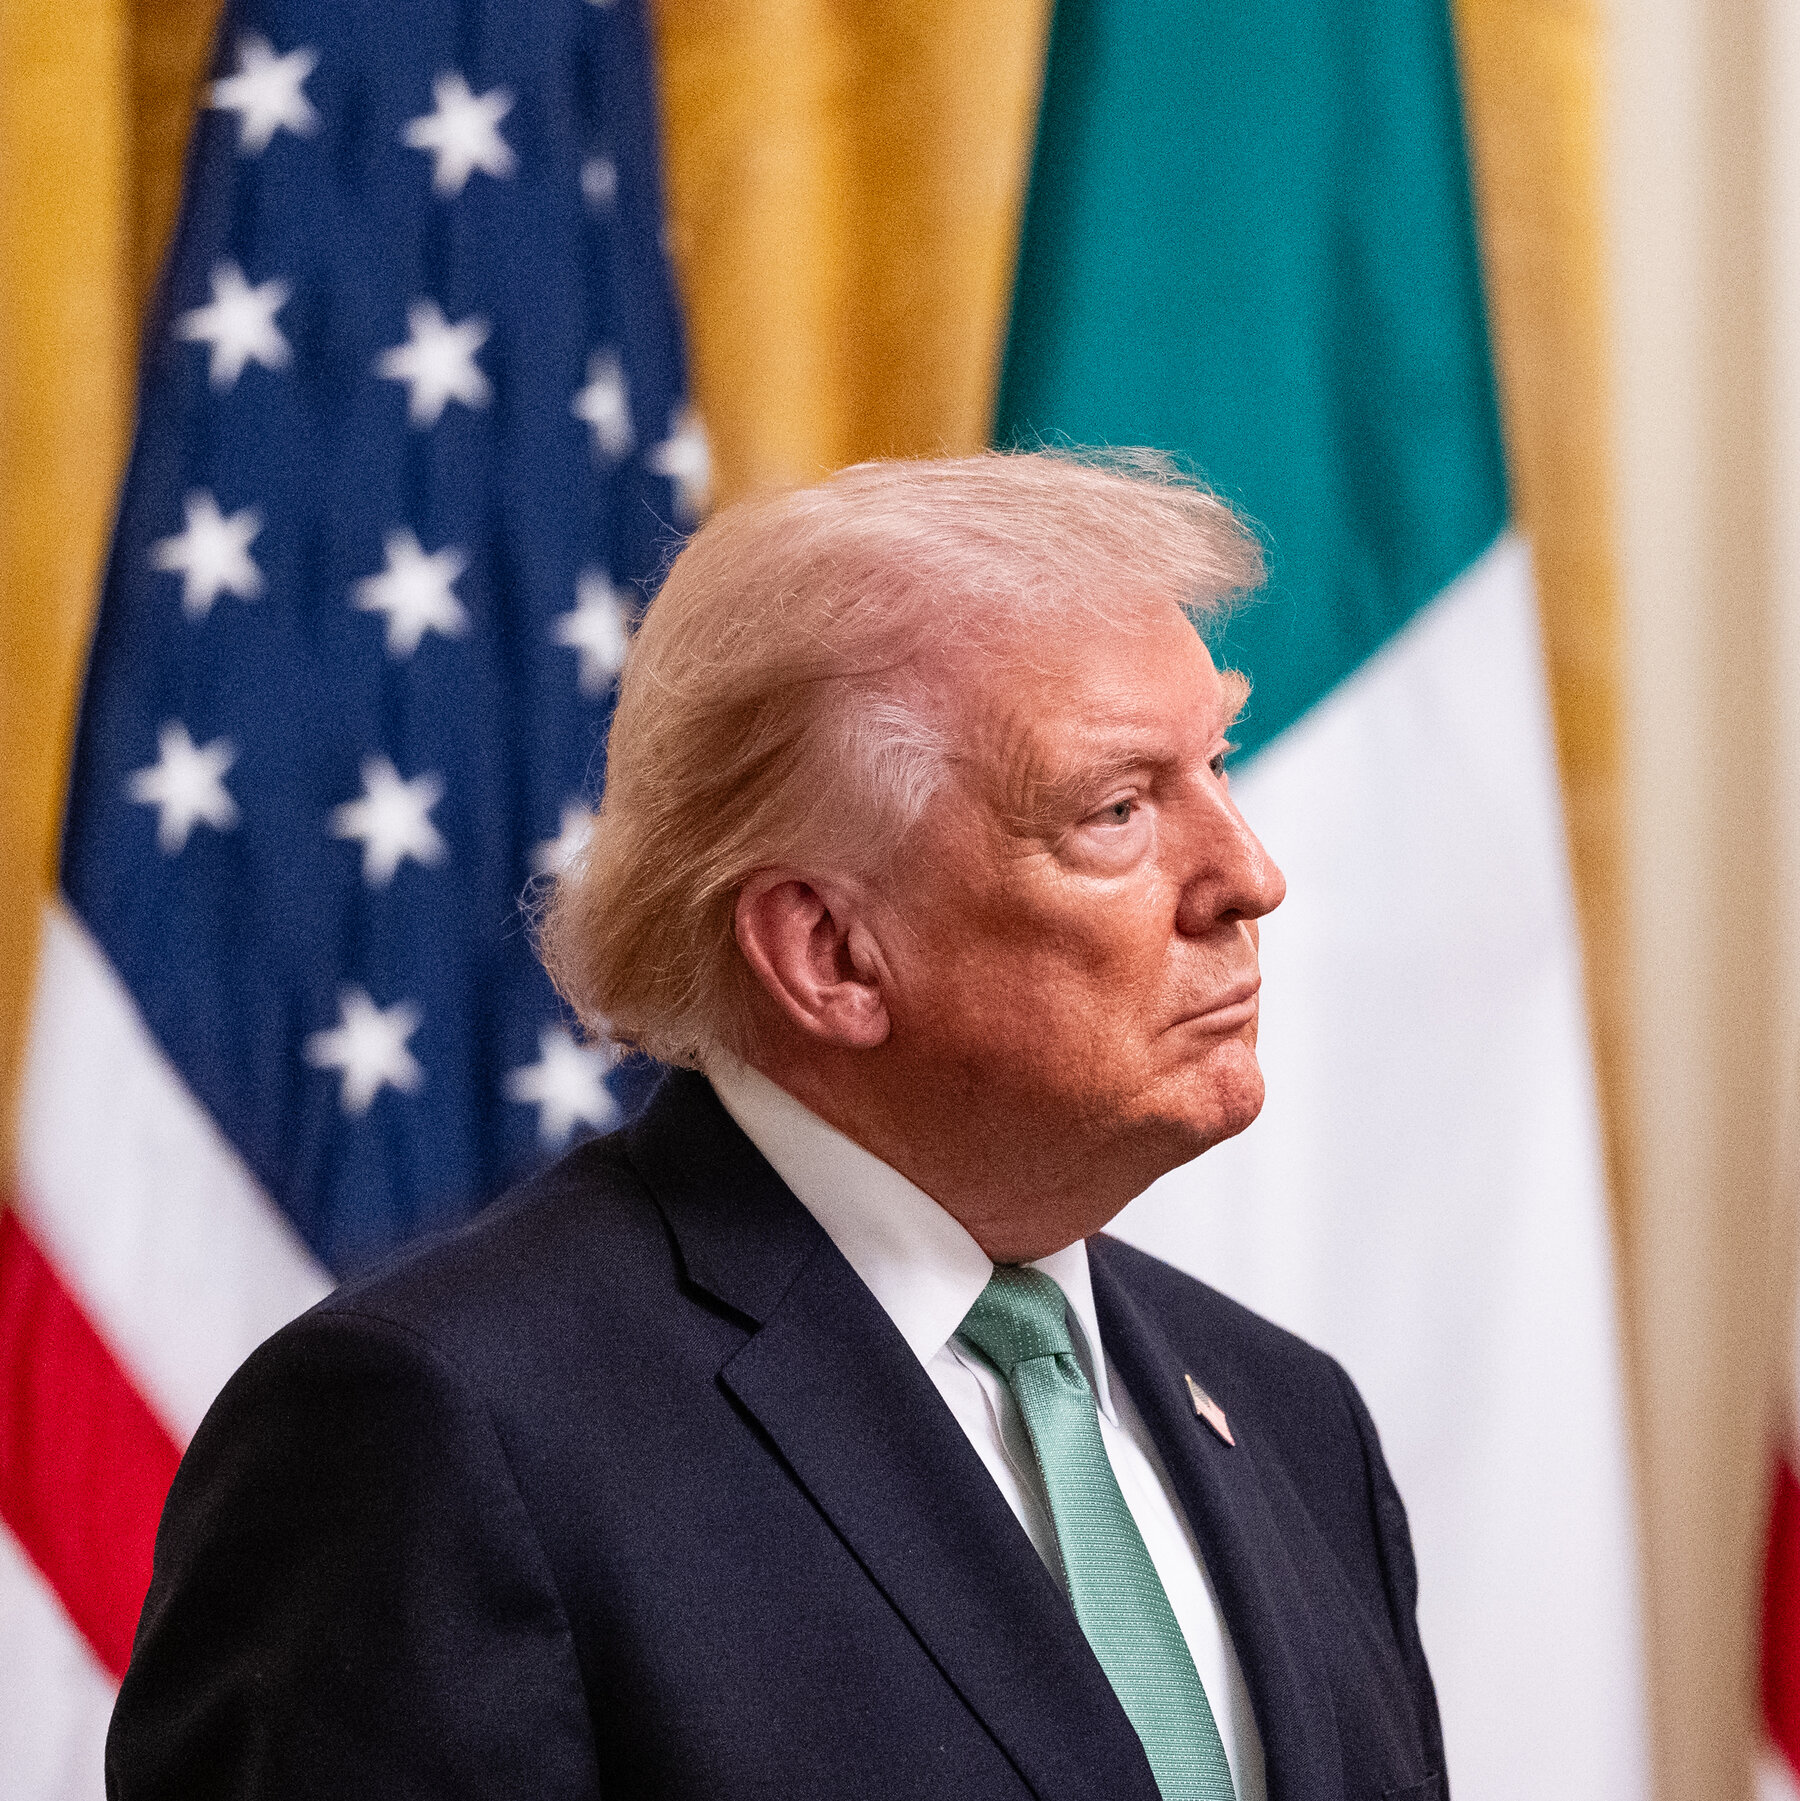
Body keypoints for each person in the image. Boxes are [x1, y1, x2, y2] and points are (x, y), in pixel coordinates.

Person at [108, 452, 1447, 1801]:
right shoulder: (438, 1434)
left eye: (1217, 762)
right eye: (1117, 809)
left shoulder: (1295, 1420)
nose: (1250, 876)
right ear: (829, 953)